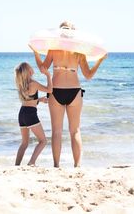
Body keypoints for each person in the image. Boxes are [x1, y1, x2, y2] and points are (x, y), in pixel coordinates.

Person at [30, 21, 107, 167]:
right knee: (75, 131)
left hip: (56, 91)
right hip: (74, 91)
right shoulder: (79, 52)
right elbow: (88, 75)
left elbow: (43, 69)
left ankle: (56, 166)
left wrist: (35, 53)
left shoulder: (53, 49)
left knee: (57, 132)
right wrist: (99, 61)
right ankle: (77, 166)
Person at [14, 62, 53, 166]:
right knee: (43, 141)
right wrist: (48, 75)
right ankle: (31, 162)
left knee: (24, 143)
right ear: (28, 71)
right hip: (30, 114)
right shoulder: (33, 84)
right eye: (30, 67)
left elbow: (28, 101)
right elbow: (49, 89)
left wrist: (39, 100)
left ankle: (16, 165)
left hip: (22, 113)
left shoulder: (21, 85)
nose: (32, 68)